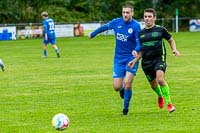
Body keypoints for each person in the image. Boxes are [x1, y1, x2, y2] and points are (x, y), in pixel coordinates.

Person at [88, 3, 141, 115]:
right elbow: (104, 27)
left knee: (127, 83)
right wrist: (93, 34)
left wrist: (136, 50)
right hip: (118, 59)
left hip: (131, 58)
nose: (125, 14)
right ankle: (123, 90)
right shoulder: (117, 22)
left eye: (128, 12)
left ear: (132, 13)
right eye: (124, 12)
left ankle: (125, 109)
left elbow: (138, 43)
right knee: (117, 87)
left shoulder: (136, 26)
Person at [128, 8, 180, 113]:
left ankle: (169, 104)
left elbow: (170, 39)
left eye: (150, 16)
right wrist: (134, 60)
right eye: (146, 17)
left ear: (154, 18)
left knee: (160, 80)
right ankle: (160, 95)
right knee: (153, 84)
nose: (147, 19)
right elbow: (142, 51)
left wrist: (174, 49)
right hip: (146, 62)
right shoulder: (141, 33)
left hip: (159, 59)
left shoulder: (160, 29)